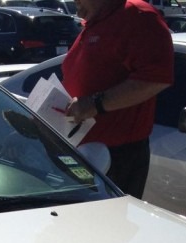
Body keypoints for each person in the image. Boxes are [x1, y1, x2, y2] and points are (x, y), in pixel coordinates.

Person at [62, 0, 174, 198]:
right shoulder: (95, 22)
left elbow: (156, 79)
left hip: (116, 157)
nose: (74, 2)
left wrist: (93, 104)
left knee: (106, 227)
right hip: (80, 150)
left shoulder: (138, 16)